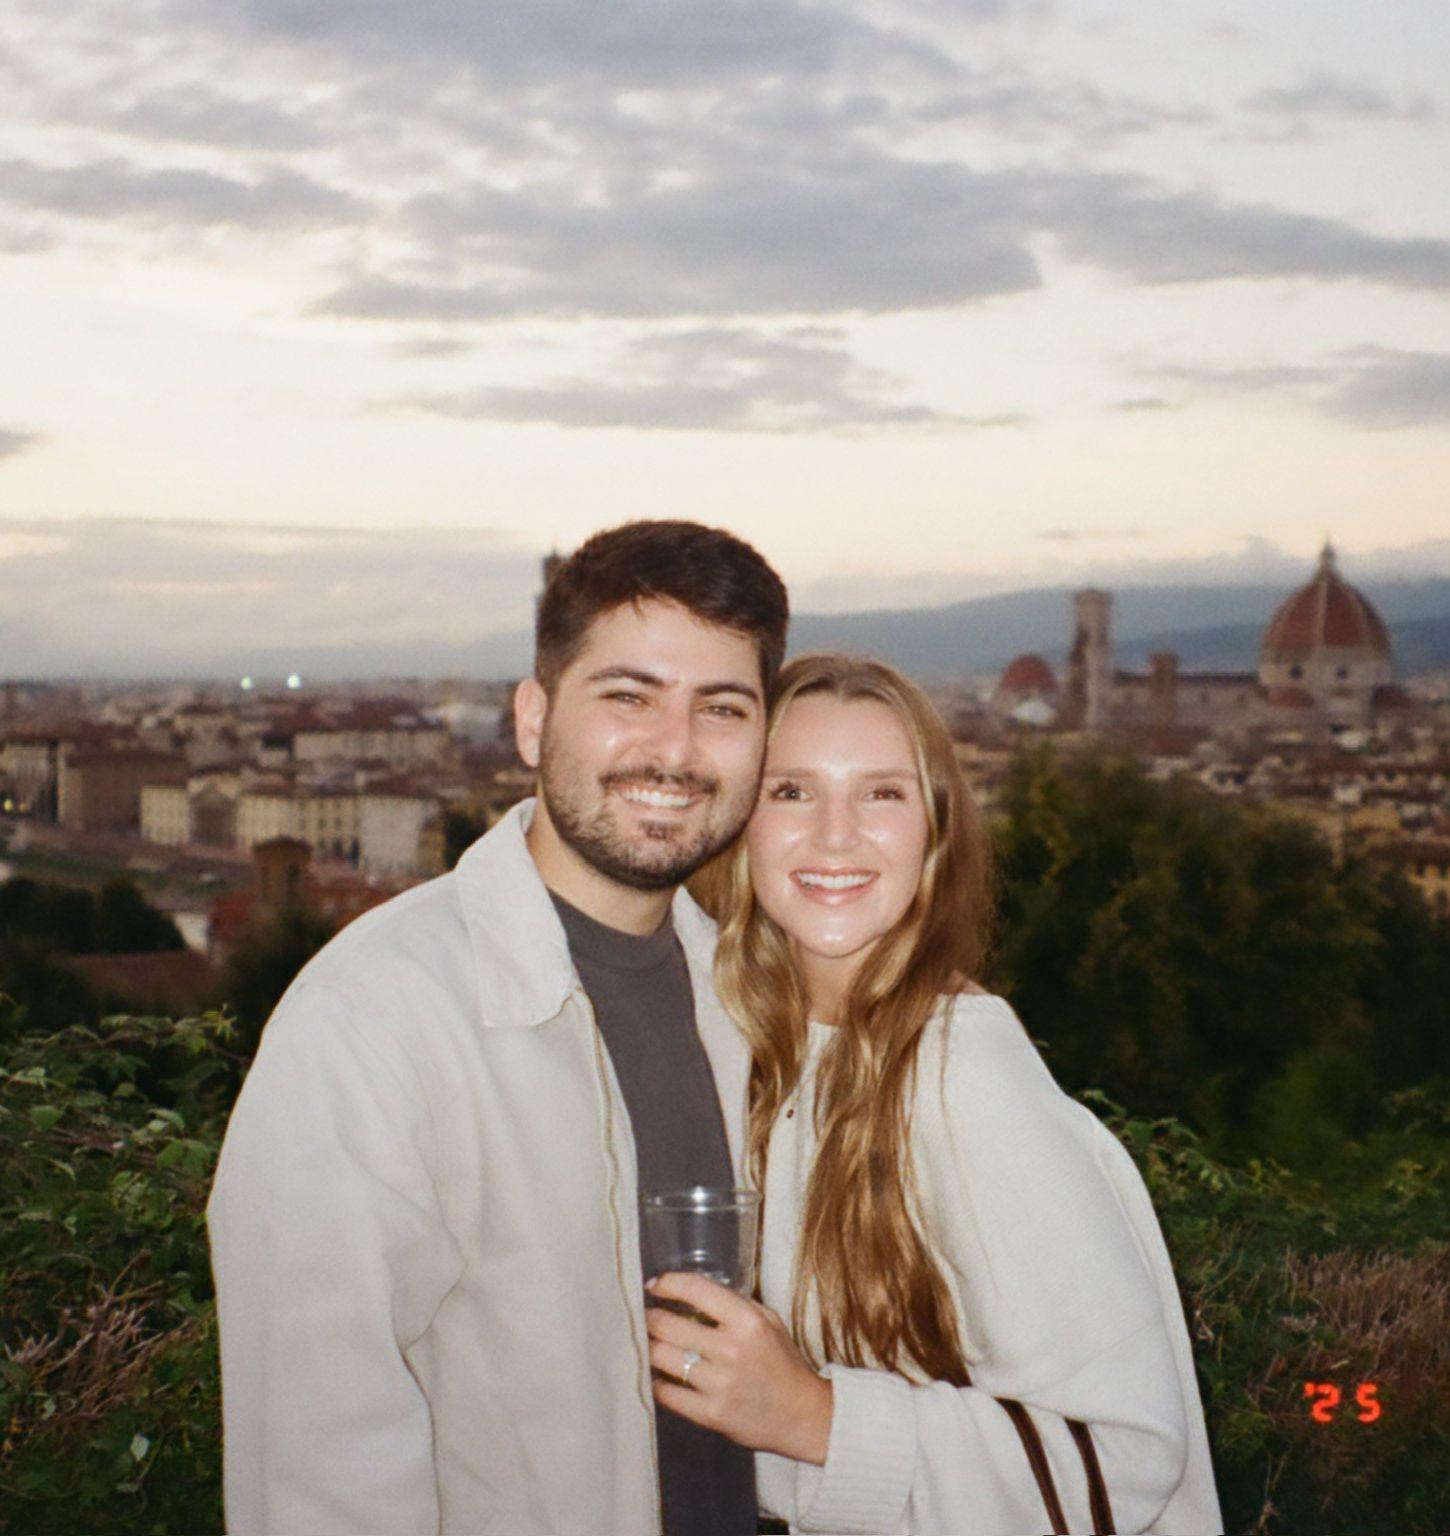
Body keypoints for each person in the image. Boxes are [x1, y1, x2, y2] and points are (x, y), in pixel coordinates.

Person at [207, 520, 788, 1536]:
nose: (675, 749)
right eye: (629, 696)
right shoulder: (368, 1022)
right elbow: (315, 1469)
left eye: (723, 708)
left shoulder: (755, 1001)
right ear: (533, 720)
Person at [646, 653, 1223, 1535]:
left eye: (881, 794)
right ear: (738, 827)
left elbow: (1128, 1457)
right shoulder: (744, 1041)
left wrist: (813, 1416)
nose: (835, 837)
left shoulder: (961, 1071)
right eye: (790, 791)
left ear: (935, 832)